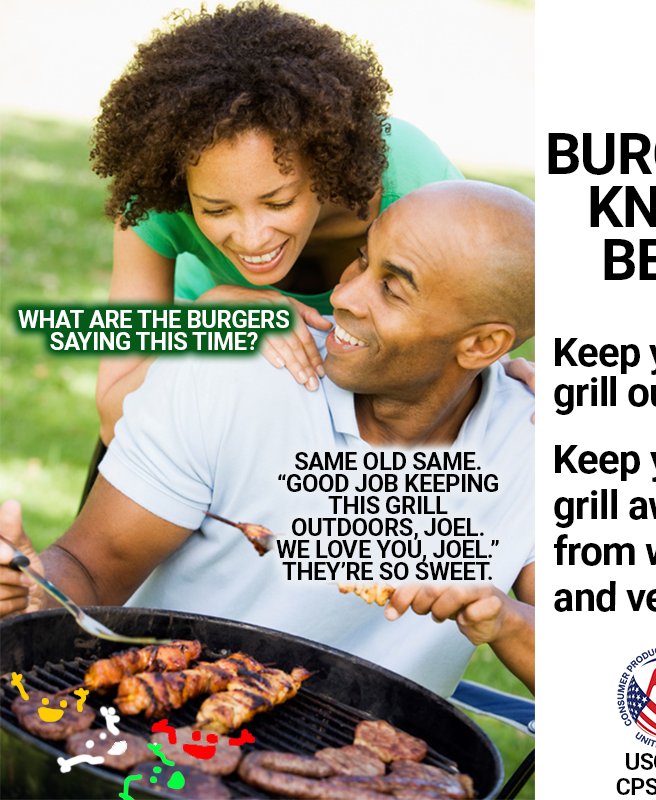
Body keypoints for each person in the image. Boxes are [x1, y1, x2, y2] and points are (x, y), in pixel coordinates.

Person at [0, 181, 534, 697]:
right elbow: (92, 567)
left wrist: (503, 619)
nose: (343, 295)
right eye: (361, 259)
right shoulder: (229, 376)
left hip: (371, 756)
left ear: (483, 344)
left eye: (392, 289)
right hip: (158, 732)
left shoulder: (537, 447)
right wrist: (30, 593)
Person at [90, 2, 468, 445]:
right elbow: (113, 418)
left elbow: (489, 318)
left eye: (279, 202)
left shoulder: (416, 183)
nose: (253, 238)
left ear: (327, 166)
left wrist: (499, 380)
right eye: (216, 210)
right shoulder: (157, 199)